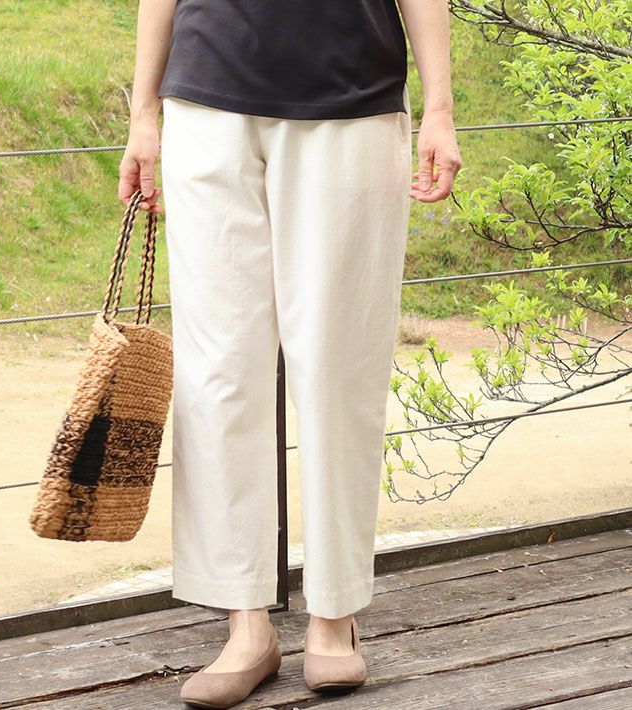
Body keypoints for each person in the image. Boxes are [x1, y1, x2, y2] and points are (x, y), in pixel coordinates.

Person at [119, 1, 462, 706]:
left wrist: (440, 108)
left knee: (338, 370)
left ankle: (335, 615)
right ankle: (245, 624)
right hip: (206, 102)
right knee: (218, 374)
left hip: (350, 101)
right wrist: (143, 115)